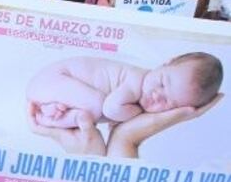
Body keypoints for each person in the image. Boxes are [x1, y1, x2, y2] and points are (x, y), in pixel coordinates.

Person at [26, 53, 224, 129]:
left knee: (90, 109)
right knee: (95, 106)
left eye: (169, 103)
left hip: (57, 88)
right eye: (162, 83)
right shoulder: (136, 80)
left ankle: (52, 107)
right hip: (55, 78)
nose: (157, 96)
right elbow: (111, 109)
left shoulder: (140, 91)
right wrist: (137, 113)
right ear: (166, 63)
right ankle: (48, 119)